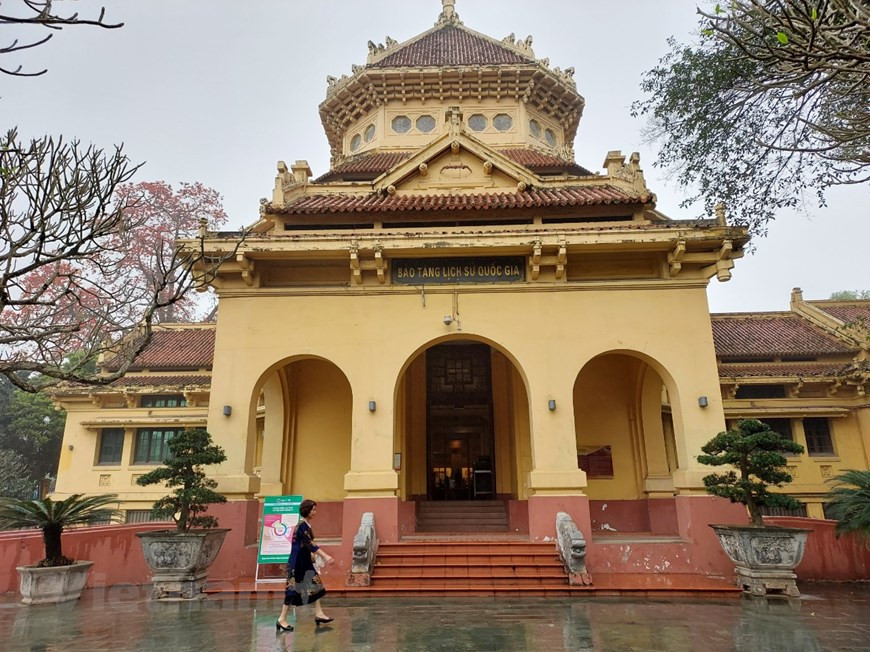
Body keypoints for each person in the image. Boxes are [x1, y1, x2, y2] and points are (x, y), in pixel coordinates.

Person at [276, 499, 334, 632]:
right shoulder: (301, 525)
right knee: (291, 590)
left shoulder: (307, 525)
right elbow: (310, 544)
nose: (315, 512)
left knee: (315, 585)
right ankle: (281, 619)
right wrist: (325, 556)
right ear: (306, 510)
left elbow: (307, 544)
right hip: (297, 562)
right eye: (313, 509)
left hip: (304, 559)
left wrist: (312, 556)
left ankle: (319, 614)